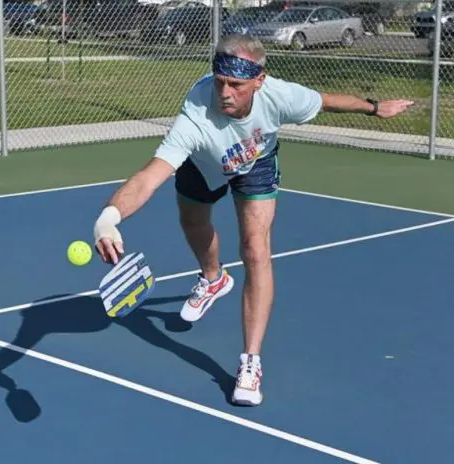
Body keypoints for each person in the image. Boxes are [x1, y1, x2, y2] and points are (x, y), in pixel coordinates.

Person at [92, 34, 413, 406]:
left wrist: (374, 107)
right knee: (193, 224)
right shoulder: (195, 117)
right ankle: (213, 279)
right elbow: (149, 176)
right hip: (204, 164)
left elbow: (328, 101)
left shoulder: (281, 95)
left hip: (256, 162)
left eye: (236, 85)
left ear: (259, 81)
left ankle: (250, 362)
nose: (225, 92)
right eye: (219, 82)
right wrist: (108, 218)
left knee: (255, 251)